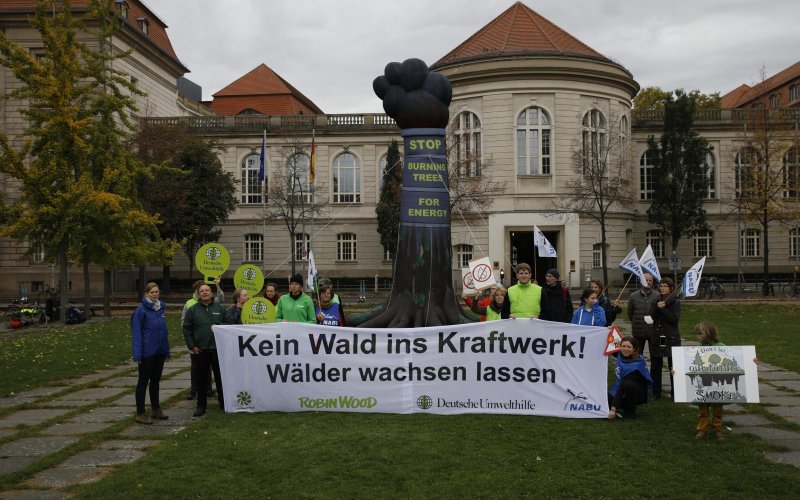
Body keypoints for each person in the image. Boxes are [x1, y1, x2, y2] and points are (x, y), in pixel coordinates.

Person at [183, 284, 229, 417]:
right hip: (200, 350)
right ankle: (201, 405)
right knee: (201, 379)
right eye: (201, 291)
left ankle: (223, 403)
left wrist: (219, 326)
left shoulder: (219, 308)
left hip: (217, 349)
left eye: (207, 290)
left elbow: (229, 322)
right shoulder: (193, 310)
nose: (204, 293)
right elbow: (187, 329)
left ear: (211, 293)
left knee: (220, 378)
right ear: (198, 294)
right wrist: (192, 346)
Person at [131, 282, 170, 425]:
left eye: (156, 292)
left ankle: (156, 409)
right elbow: (136, 333)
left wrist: (166, 349)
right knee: (143, 381)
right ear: (146, 293)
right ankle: (140, 413)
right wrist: (137, 354)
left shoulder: (160, 308)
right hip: (147, 352)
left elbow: (162, 331)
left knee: (155, 381)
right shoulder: (140, 311)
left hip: (159, 351)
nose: (154, 294)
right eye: (151, 292)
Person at [649, 277, 681, 400]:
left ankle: (675, 393)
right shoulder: (656, 300)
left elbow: (674, 320)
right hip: (658, 336)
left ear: (671, 288)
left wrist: (664, 309)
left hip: (671, 337)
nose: (662, 288)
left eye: (665, 286)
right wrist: (658, 307)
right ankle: (656, 393)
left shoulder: (675, 301)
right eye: (661, 285)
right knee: (656, 366)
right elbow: (651, 315)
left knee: (673, 366)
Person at [608, 336, 653, 420]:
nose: (625, 349)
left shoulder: (636, 365)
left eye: (629, 347)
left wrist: (613, 408)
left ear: (634, 349)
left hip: (636, 393)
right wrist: (607, 329)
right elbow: (610, 341)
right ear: (620, 347)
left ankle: (630, 411)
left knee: (628, 384)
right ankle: (624, 405)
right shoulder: (620, 354)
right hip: (618, 389)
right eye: (623, 346)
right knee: (604, 405)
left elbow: (622, 387)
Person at [627, 273, 658, 356]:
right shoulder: (633, 296)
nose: (648, 282)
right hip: (638, 331)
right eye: (646, 280)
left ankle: (653, 369)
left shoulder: (657, 295)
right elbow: (630, 313)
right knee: (637, 355)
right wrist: (637, 322)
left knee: (655, 356)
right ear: (641, 281)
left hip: (654, 331)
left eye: (650, 280)